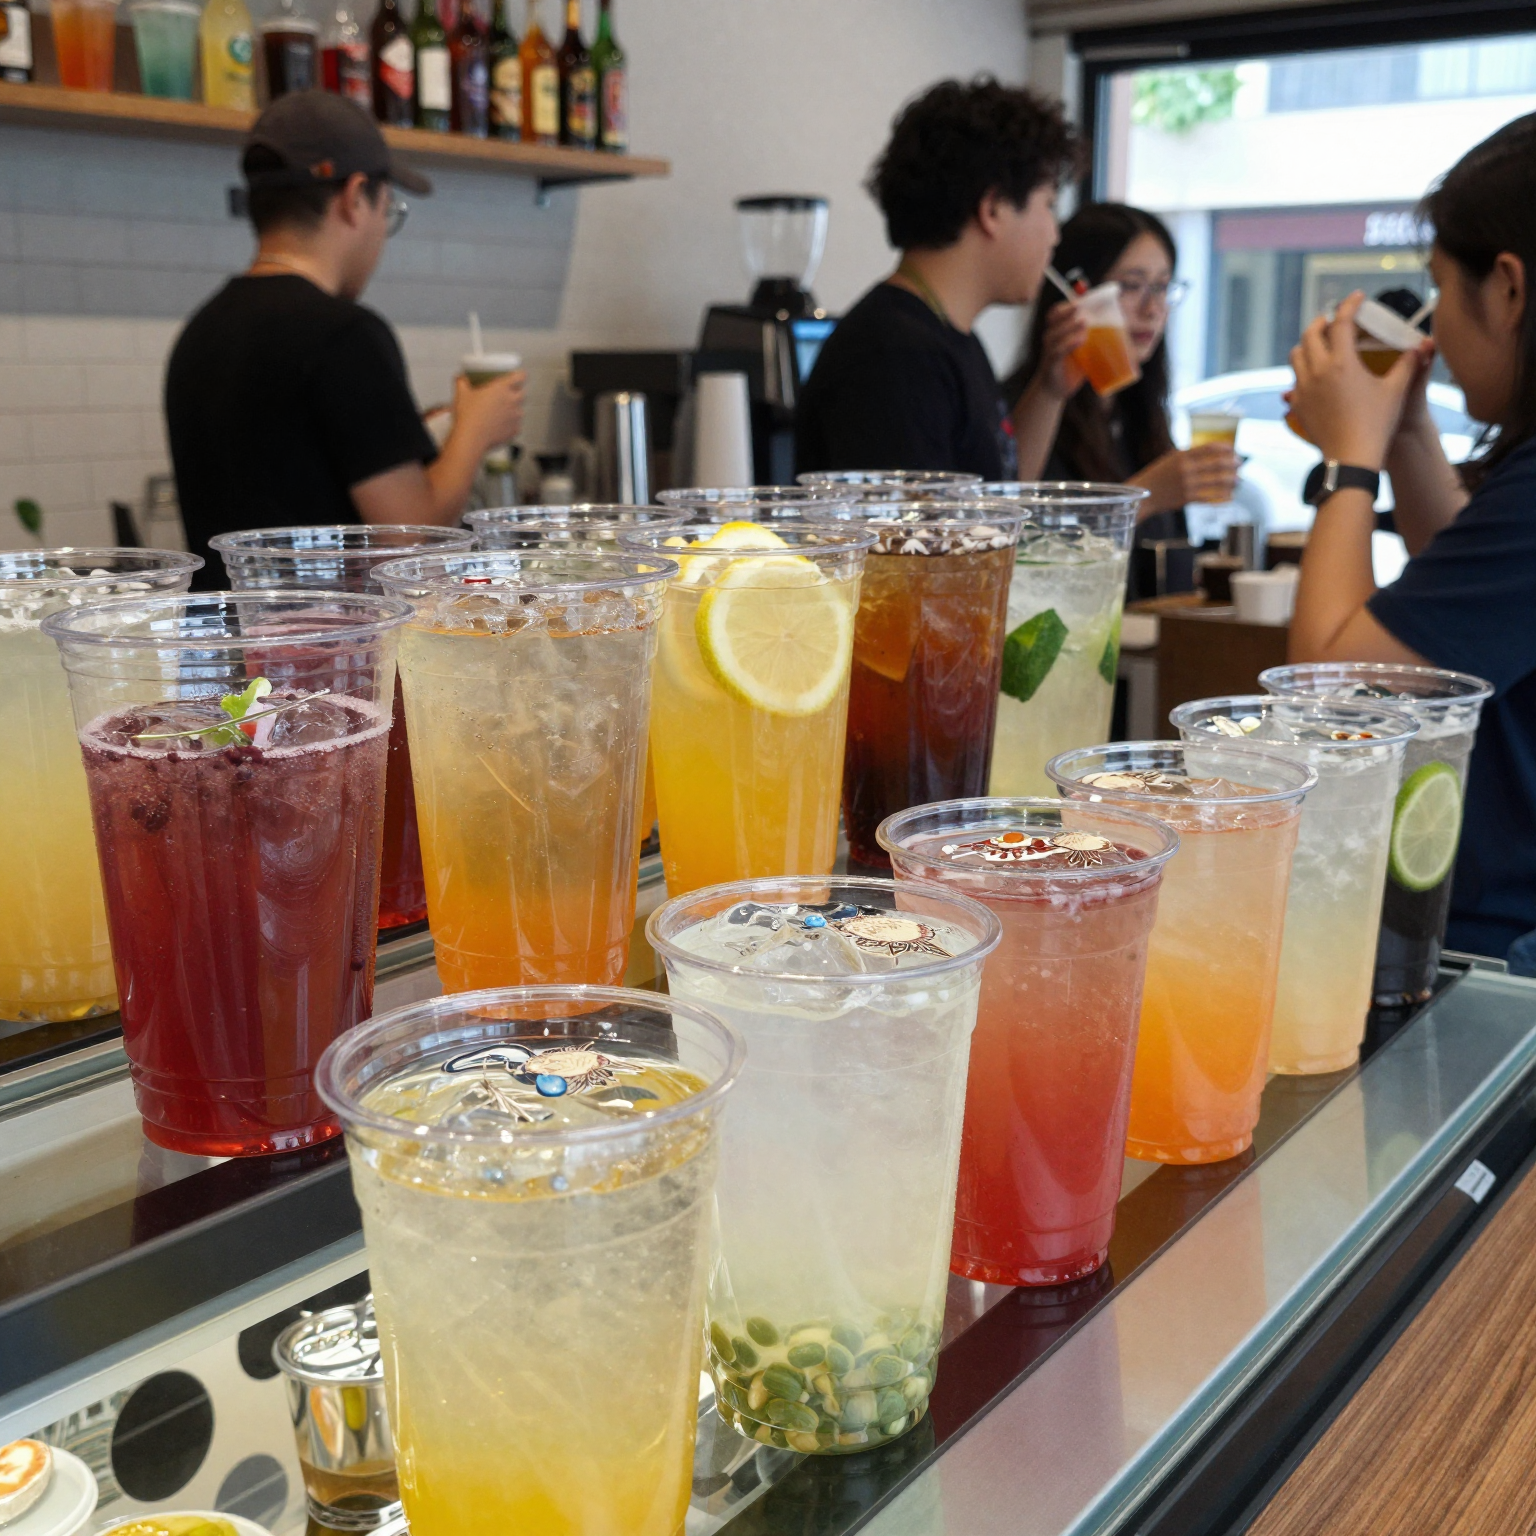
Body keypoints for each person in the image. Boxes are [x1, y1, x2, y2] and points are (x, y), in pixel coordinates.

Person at [1285, 112, 1536, 962]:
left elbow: (1327, 692)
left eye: (1440, 288)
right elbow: (1454, 619)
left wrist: (1348, 458)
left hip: (1502, 961)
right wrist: (1404, 437)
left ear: (1508, 288)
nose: (1436, 329)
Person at [165, 91, 525, 577]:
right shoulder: (345, 335)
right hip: (326, 648)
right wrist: (474, 433)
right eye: (387, 209)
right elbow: (411, 540)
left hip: (224, 644)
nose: (382, 231)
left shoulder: (200, 331)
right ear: (356, 197)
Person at [794, 77, 1078, 481]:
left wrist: (1050, 389)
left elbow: (1000, 502)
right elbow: (911, 542)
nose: (1055, 233)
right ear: (993, 209)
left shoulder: (946, 336)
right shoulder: (896, 357)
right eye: (1048, 205)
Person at [1007, 203, 1240, 555]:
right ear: (1078, 292)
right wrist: (1147, 495)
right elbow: (1029, 552)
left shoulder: (1136, 413)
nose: (1152, 309)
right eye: (1132, 286)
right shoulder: (1026, 411)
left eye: (1162, 287)